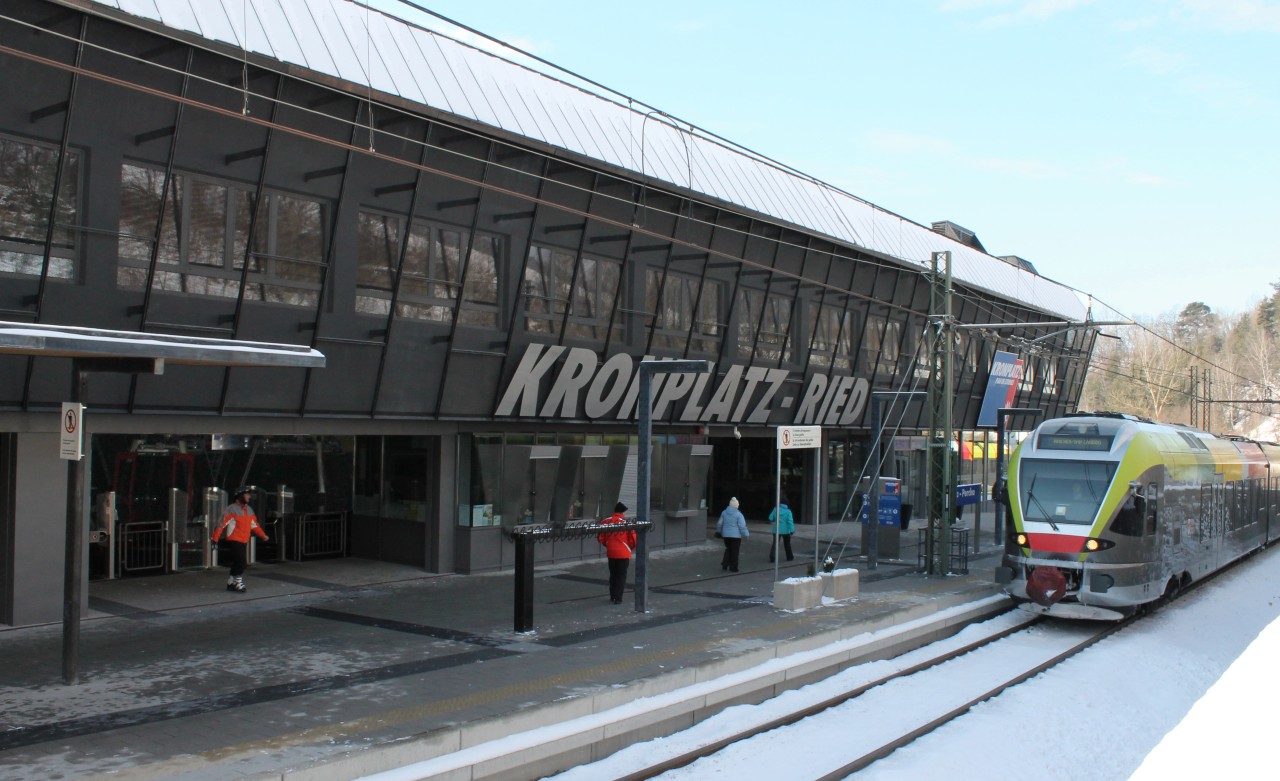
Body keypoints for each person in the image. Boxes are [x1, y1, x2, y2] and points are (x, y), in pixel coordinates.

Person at [211, 487, 268, 593]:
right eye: (247, 495)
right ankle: (238, 583)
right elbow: (220, 524)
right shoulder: (232, 509)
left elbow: (254, 525)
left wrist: (263, 535)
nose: (249, 497)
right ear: (240, 496)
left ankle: (230, 583)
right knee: (242, 563)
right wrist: (215, 539)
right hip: (235, 540)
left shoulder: (249, 510)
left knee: (237, 563)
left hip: (243, 540)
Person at [597, 502, 636, 604]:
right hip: (623, 553)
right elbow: (633, 540)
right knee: (621, 575)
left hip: (611, 552)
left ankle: (612, 595)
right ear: (623, 512)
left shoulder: (606, 521)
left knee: (613, 574)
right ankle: (618, 598)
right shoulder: (626, 523)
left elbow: (600, 537)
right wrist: (629, 548)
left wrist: (608, 544)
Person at [716, 497, 748, 572]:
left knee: (728, 549)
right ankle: (733, 567)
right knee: (735, 551)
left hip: (726, 536)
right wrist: (746, 534)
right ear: (737, 506)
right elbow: (742, 526)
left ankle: (725, 564)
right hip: (736, 536)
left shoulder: (724, 512)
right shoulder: (739, 514)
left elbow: (719, 523)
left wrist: (718, 531)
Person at [768, 495, 795, 563]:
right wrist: (792, 530)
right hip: (786, 531)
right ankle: (789, 557)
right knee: (787, 544)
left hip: (776, 530)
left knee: (775, 544)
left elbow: (770, 518)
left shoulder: (775, 509)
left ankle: (772, 557)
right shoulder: (788, 511)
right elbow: (790, 522)